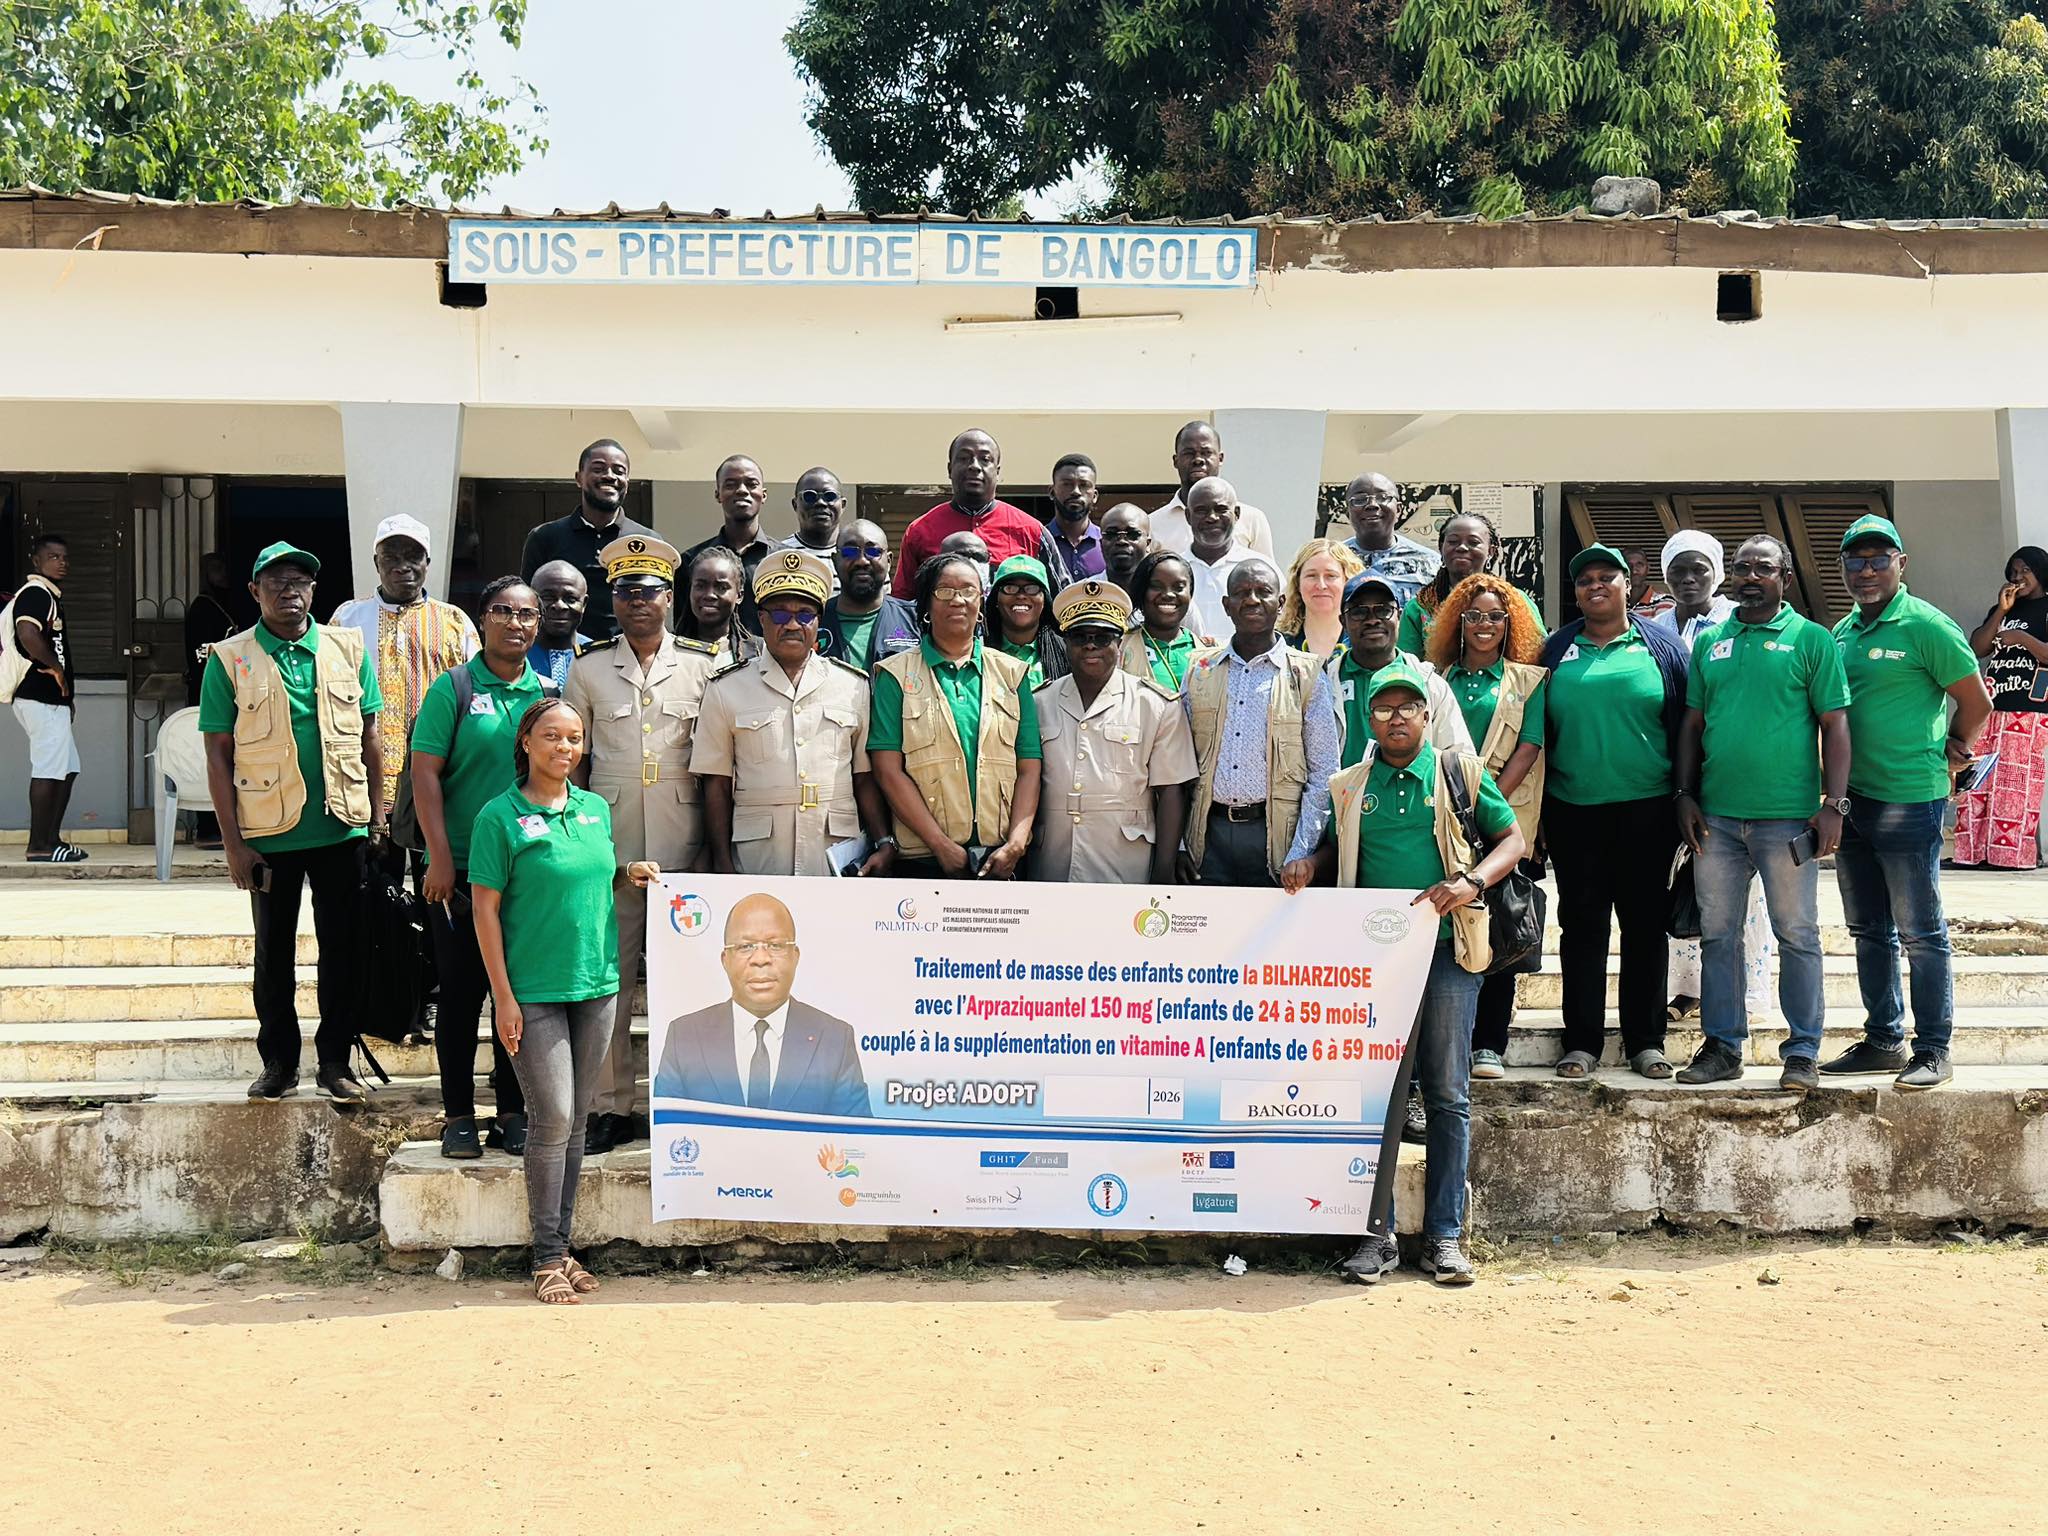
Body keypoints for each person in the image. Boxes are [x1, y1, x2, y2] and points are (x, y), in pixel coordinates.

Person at [1282, 658, 1526, 1287]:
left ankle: (1444, 1238)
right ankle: (1376, 1235)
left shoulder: (1458, 773)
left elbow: (1512, 842)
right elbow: (1344, 846)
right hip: (1372, 964)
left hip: (1446, 951)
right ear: (1370, 719)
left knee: (1447, 1094)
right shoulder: (1348, 784)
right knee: (1375, 1101)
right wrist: (1311, 862)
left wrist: (1470, 880)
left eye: (1407, 707)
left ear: (1425, 715)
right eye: (1383, 708)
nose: (1395, 717)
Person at [470, 695, 659, 1304]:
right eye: (551, 736)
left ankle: (563, 1246)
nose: (564, 748)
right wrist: (503, 996)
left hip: (597, 983)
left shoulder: (594, 808)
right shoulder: (497, 818)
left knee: (576, 1120)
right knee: (551, 1117)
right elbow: (484, 910)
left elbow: (593, 873)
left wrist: (628, 871)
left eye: (574, 738)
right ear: (526, 742)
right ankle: (546, 1255)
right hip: (533, 992)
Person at [198, 542, 383, 1104]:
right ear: (255, 592)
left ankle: (335, 1062)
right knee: (272, 953)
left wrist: (376, 819)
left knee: (343, 949)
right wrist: (232, 845)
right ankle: (278, 1062)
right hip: (267, 837)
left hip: (340, 829)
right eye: (275, 581)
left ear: (314, 590)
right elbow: (218, 754)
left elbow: (371, 737)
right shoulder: (230, 658)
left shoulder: (347, 648)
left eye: (300, 579)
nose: (289, 590)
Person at [1672, 535, 1852, 1093]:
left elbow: (1836, 726)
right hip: (1718, 821)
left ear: (1786, 577)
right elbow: (1693, 725)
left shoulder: (1812, 640)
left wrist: (1833, 805)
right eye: (1742, 567)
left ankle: (1802, 1051)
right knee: (1718, 935)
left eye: (1763, 568)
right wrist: (1684, 794)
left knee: (1796, 933)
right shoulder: (1713, 641)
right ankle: (1724, 1046)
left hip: (1788, 821)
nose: (1751, 577)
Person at [1822, 514, 1993, 1091]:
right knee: (1869, 929)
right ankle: (1883, 1040)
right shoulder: (1842, 633)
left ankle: (1934, 1047)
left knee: (1920, 930)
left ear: (1902, 564)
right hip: (1852, 802)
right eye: (1856, 560)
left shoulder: (1926, 625)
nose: (1866, 571)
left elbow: (1976, 700)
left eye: (1879, 559)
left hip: (1910, 800)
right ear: (1843, 567)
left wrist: (1956, 746)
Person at [564, 535, 722, 1155]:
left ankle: (685, 1101)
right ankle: (609, 1106)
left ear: (668, 596)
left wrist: (713, 848)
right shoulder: (588, 668)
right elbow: (573, 764)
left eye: (650, 592)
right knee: (612, 982)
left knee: (689, 985)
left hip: (683, 850)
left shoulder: (705, 665)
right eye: (626, 592)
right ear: (614, 599)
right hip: (614, 850)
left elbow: (715, 768)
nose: (638, 603)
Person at [1539, 544, 1692, 1080]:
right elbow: (1535, 734)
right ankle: (1580, 1042)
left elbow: (1690, 728)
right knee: (1581, 927)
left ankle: (1645, 1041)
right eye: (1585, 580)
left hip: (1647, 812)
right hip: (1572, 811)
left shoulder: (1664, 649)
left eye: (1608, 577)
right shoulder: (1554, 650)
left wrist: (1687, 796)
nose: (1595, 586)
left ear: (1630, 585)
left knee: (1645, 927)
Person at [409, 575, 550, 1159]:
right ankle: (459, 1116)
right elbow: (424, 774)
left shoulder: (544, 691)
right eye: (502, 611)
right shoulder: (455, 687)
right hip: (461, 871)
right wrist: (439, 857)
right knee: (463, 995)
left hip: (523, 873)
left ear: (538, 625)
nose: (515, 623)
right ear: (482, 619)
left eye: (526, 614)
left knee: (514, 995)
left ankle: (513, 1112)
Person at [692, 550, 896, 878]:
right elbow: (716, 784)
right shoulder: (725, 688)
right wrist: (722, 861)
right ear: (761, 618)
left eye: (804, 615)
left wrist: (884, 840)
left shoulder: (853, 685)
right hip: (758, 857)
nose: (791, 624)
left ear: (818, 621)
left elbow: (864, 777)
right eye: (779, 614)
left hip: (833, 852)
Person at [1425, 571, 1548, 1079]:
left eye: (1495, 617)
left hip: (1499, 817)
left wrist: (1483, 795)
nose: (1483, 625)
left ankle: (1488, 1044)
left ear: (1509, 623)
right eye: (1473, 615)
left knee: (1498, 922)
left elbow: (1531, 745)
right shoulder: (1437, 678)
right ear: (1458, 620)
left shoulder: (1527, 680)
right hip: (1442, 820)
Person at [1650, 530, 1770, 1026]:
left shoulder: (1734, 623)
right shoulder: (1652, 626)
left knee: (1741, 890)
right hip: (1666, 777)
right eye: (1678, 569)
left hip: (1728, 776)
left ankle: (1747, 989)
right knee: (1678, 886)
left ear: (1717, 571)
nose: (1689, 578)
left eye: (1699, 568)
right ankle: (1686, 989)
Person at [868, 551, 1043, 879]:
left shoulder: (1013, 674)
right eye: (945, 591)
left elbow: (1029, 767)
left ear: (981, 604)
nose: (958, 600)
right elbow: (887, 770)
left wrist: (1017, 843)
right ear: (926, 606)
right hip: (924, 857)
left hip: (1002, 856)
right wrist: (939, 844)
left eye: (968, 591)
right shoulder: (894, 674)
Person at [1180, 558, 1340, 886]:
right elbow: (1176, 764)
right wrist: (1180, 846)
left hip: (1275, 836)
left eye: (1263, 592)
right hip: (1209, 836)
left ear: (1280, 603)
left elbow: (1324, 773)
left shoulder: (1307, 674)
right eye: (1241, 593)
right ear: (1226, 606)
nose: (1252, 599)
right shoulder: (1199, 670)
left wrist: (1300, 851)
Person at [1030, 578, 1196, 883]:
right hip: (1052, 861)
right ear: (1065, 642)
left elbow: (1171, 791)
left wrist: (1163, 870)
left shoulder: (1155, 705)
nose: (1091, 645)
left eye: (1103, 637)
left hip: (1125, 863)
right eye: (1080, 637)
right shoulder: (1039, 702)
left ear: (1120, 642)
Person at [652, 893, 870, 1114]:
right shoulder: (684, 1036)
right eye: (745, 946)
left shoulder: (834, 1038)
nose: (760, 958)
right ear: (725, 960)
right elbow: (669, 1132)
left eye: (775, 945)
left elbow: (856, 1139)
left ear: (795, 956)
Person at [331, 514, 478, 820]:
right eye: (391, 557)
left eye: (413, 556)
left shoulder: (455, 622)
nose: (402, 566)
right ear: (376, 562)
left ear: (428, 561)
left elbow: (473, 696)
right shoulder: (347, 620)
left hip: (438, 775)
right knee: (376, 867)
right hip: (364, 777)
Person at [1958, 545, 2048, 868]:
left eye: (2025, 570)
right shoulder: (2006, 609)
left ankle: (2010, 856)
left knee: (2016, 785)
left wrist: (2021, 640)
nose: (2018, 577)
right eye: (2013, 571)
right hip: (1991, 705)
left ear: (2040, 572)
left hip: (2030, 708)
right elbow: (1977, 648)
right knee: (1979, 779)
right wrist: (2000, 611)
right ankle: (1973, 854)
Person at [1330, 574, 1473, 766]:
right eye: (1359, 612)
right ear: (1343, 622)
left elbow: (1460, 759)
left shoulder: (1429, 683)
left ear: (1399, 615)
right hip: (1342, 795)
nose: (1372, 620)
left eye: (1383, 610)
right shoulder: (1322, 682)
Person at [520, 439, 654, 643]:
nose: (609, 476)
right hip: (561, 655)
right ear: (579, 478)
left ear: (627, 481)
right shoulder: (545, 537)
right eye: (598, 469)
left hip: (627, 656)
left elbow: (657, 604)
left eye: (619, 471)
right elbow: (526, 604)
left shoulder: (647, 541)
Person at [892, 429, 1052, 596]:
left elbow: (1059, 597)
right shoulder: (919, 530)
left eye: (985, 459)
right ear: (949, 469)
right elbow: (903, 600)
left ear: (997, 471)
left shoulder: (1032, 530)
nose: (974, 466)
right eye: (964, 458)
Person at [9, 533, 84, 863]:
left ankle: (52, 840)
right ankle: (39, 845)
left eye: (64, 557)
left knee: (67, 769)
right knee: (48, 769)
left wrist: (66, 696)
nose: (61, 562)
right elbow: (27, 633)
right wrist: (53, 668)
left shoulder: (49, 595)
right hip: (38, 698)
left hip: (53, 702)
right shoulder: (36, 593)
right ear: (37, 562)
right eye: (53, 557)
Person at [1395, 512, 1540, 656]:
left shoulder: (1516, 601)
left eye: (1473, 542)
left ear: (1490, 551)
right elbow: (1408, 667)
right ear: (1441, 547)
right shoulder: (1419, 607)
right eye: (1453, 541)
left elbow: (1537, 654)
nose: (1462, 548)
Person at [1148, 422, 1276, 559]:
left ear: (1220, 459)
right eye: (1189, 453)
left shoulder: (1252, 519)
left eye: (1206, 453)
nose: (1198, 460)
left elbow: (1266, 574)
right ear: (1175, 460)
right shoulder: (1153, 523)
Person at [684, 454, 777, 632]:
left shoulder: (779, 560)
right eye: (730, 484)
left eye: (751, 484)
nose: (742, 490)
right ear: (718, 494)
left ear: (763, 495)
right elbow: (686, 627)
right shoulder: (692, 560)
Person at [819, 519, 919, 671]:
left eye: (873, 552)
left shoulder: (915, 619)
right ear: (835, 560)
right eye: (850, 552)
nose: (862, 561)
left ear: (889, 561)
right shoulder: (814, 620)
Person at [1340, 472, 1438, 609]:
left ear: (1399, 509)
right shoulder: (1332, 561)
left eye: (1383, 497)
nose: (1372, 505)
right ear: (1347, 513)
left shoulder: (1431, 563)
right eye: (1360, 499)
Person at [1119, 550, 1208, 691]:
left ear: (1190, 594)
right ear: (1141, 592)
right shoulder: (1120, 648)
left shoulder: (1210, 651)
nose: (1168, 594)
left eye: (1179, 587)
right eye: (1156, 586)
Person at [1182, 476, 1252, 642]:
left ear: (1237, 514)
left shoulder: (1259, 569)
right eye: (1201, 510)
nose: (1212, 517)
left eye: (1221, 509)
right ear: (1187, 516)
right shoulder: (1172, 570)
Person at [986, 554, 1069, 689]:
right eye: (1010, 588)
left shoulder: (1067, 650)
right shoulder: (976, 651)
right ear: (996, 598)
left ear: (1044, 601)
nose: (1021, 596)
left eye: (1032, 589)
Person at [676, 546, 763, 667]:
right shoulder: (668, 650)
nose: (709, 595)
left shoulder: (759, 652)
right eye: (700, 586)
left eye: (721, 587)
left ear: (739, 595)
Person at [1280, 537, 1364, 659]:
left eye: (1331, 576)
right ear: (1297, 582)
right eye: (1311, 575)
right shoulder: (1279, 642)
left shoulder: (1364, 640)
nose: (1321, 585)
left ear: (1347, 581)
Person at [774, 466, 847, 596]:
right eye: (809, 496)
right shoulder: (780, 555)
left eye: (829, 496)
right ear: (795, 504)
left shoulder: (859, 556)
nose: (820, 503)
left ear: (843, 505)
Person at [1041, 453, 1106, 588]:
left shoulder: (1106, 544)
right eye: (1067, 484)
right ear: (1052, 492)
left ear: (1094, 496)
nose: (1076, 491)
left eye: (1084, 485)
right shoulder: (1038, 542)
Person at [527, 560, 590, 690]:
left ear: (584, 604)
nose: (559, 606)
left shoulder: (598, 657)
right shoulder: (514, 655)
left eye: (570, 599)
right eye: (548, 597)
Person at [1098, 502, 1152, 599]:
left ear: (1147, 544)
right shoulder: (1080, 595)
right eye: (1111, 534)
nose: (1121, 541)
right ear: (1101, 543)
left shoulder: (1160, 596)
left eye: (1133, 534)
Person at [1627, 546, 1676, 623]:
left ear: (1648, 569)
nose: (1634, 570)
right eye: (1628, 565)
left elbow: (1661, 633)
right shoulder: (1614, 603)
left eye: (1639, 565)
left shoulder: (1664, 601)